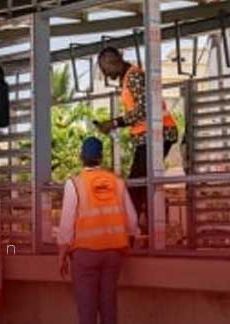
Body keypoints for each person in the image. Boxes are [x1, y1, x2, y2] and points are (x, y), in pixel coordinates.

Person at [94, 46, 178, 225]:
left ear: (112, 61)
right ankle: (147, 226)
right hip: (151, 135)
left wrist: (114, 123)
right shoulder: (129, 77)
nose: (105, 73)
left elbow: (142, 110)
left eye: (104, 69)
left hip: (157, 134)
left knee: (136, 184)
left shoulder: (133, 76)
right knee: (142, 184)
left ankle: (131, 231)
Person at [58, 137, 138, 324]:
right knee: (109, 306)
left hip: (85, 255)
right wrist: (131, 241)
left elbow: (66, 225)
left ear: (81, 157)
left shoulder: (74, 184)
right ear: (101, 157)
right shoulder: (117, 182)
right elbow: (132, 221)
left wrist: (61, 254)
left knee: (87, 310)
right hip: (114, 254)